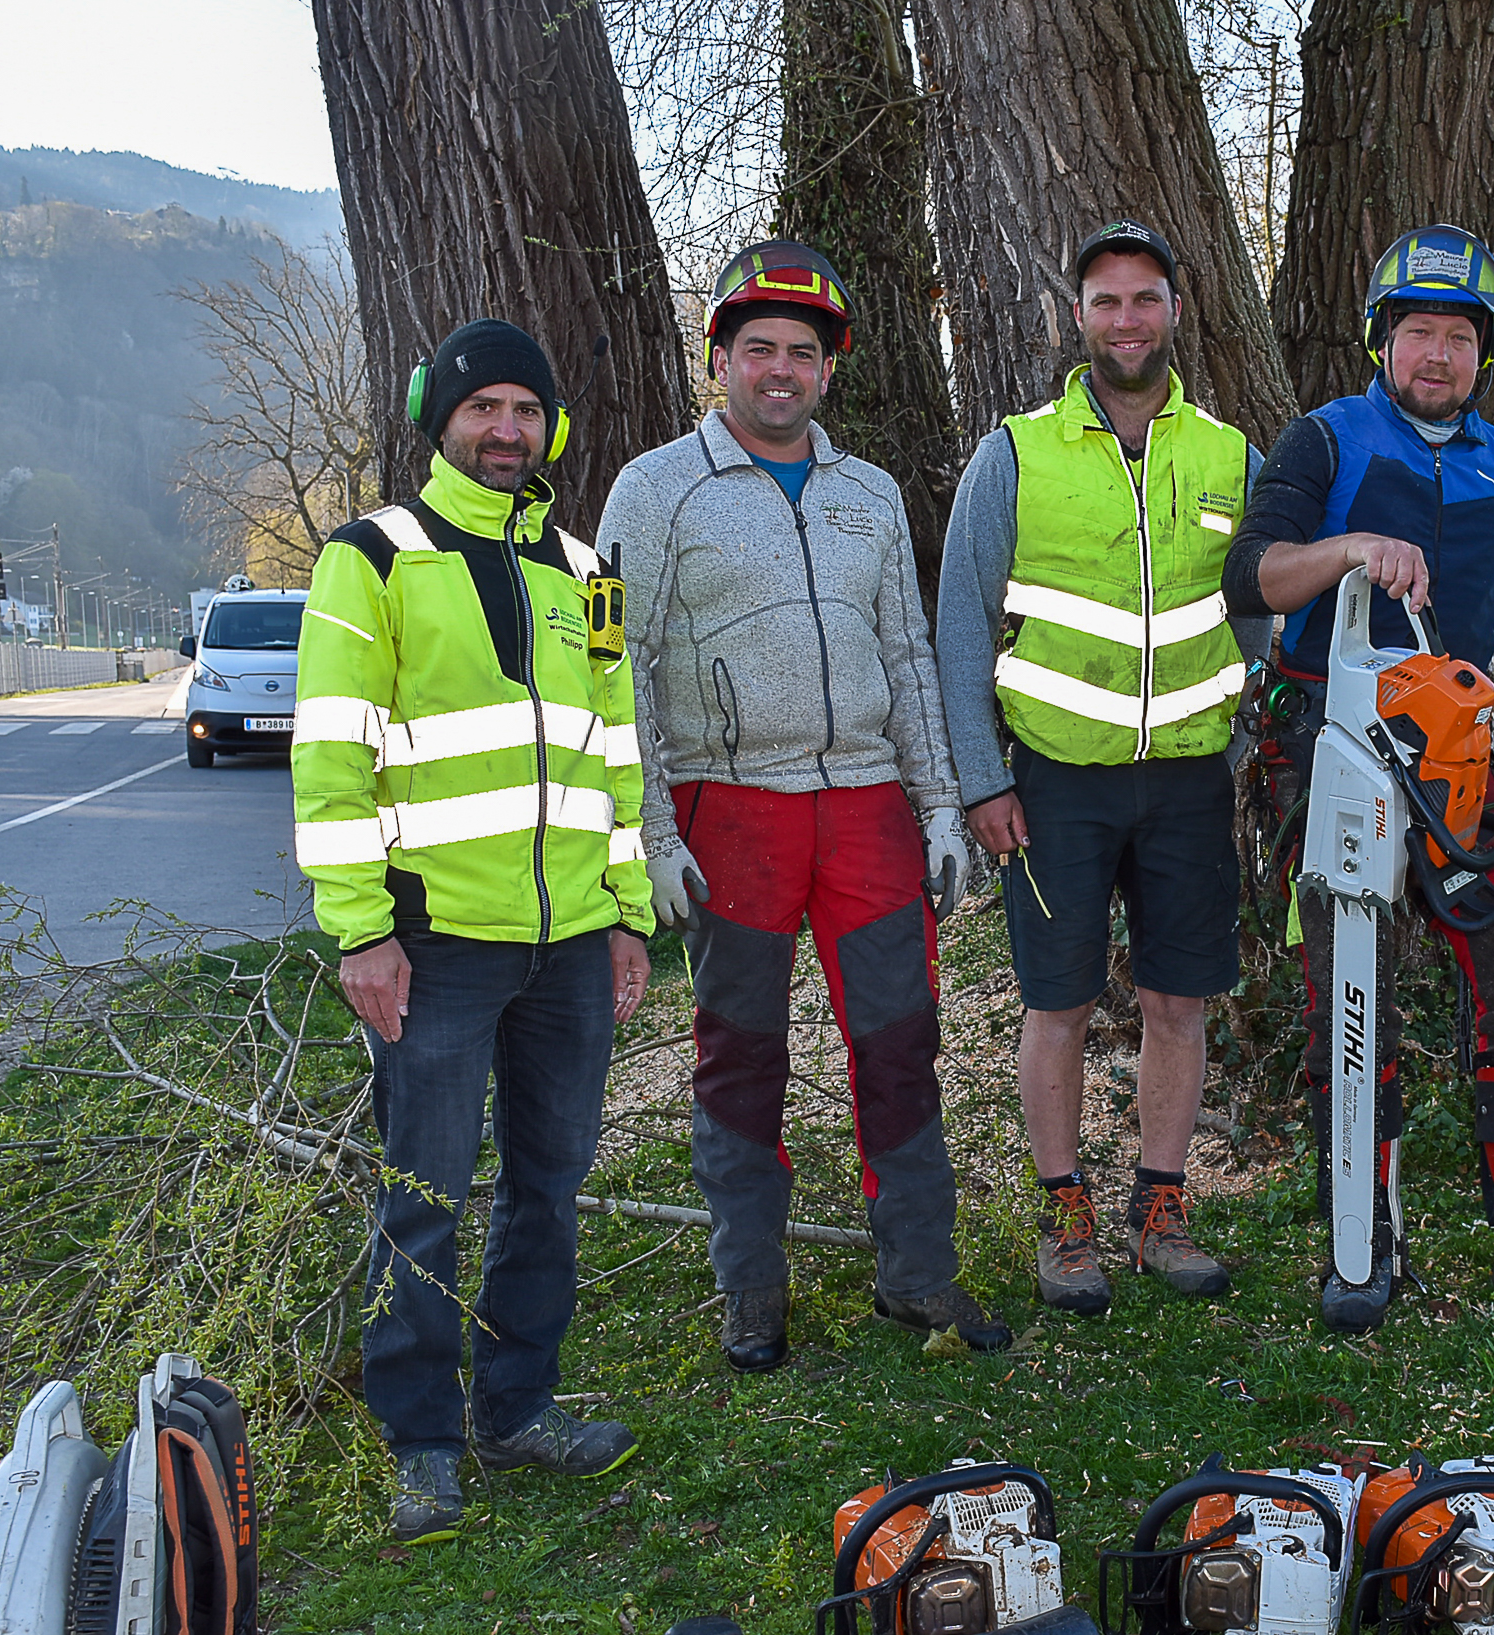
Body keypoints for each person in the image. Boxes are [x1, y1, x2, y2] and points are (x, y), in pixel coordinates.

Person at [1223, 224, 1494, 1337]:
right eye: (1419, 330)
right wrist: (1352, 549)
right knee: (1349, 997)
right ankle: (1361, 1244)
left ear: (1484, 352)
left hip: (1458, 760)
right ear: (1383, 338)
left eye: (1459, 337)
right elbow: (1251, 577)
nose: (1437, 355)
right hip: (1331, 746)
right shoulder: (1326, 438)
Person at [605, 239, 999, 1374]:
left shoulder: (870, 493)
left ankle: (917, 1273)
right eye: (759, 348)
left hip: (868, 807)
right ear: (719, 358)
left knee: (901, 1043)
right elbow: (614, 662)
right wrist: (651, 831)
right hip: (730, 809)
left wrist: (939, 804)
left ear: (828, 370)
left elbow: (909, 655)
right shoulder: (650, 489)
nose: (780, 369)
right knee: (742, 1054)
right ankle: (751, 1288)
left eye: (802, 353)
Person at [292, 318, 653, 1544]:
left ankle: (516, 1411)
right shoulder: (371, 559)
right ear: (437, 420)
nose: (506, 429)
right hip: (433, 943)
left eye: (525, 409)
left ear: (550, 426)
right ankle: (423, 1447)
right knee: (425, 1199)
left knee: (548, 1190)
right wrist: (361, 932)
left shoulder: (588, 571)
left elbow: (616, 756)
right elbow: (331, 761)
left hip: (571, 944)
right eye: (482, 407)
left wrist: (626, 915)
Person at [937, 219, 1268, 1318]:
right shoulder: (1016, 452)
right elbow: (960, 623)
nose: (1127, 320)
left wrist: (1232, 727)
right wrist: (982, 779)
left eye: (1145, 298)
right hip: (1055, 784)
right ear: (1076, 318)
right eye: (1106, 302)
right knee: (1060, 1002)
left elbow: (1256, 608)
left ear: (1175, 310)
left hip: (1186, 784)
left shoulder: (1227, 454)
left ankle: (1161, 1208)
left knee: (1179, 999)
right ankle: (1065, 1215)